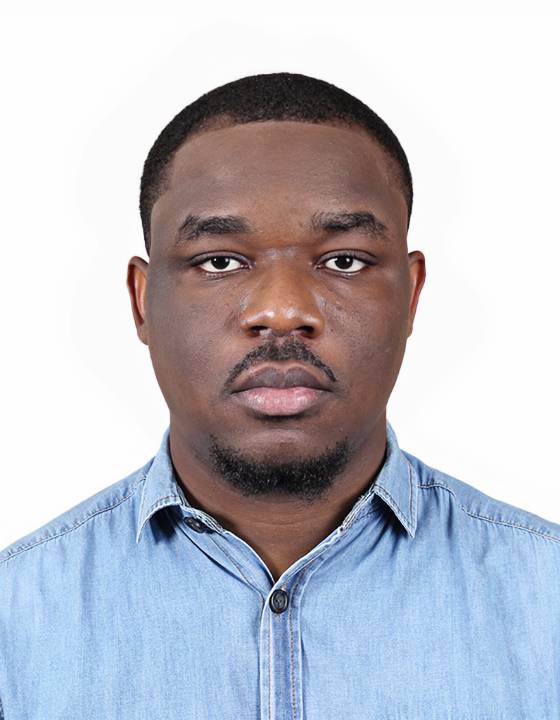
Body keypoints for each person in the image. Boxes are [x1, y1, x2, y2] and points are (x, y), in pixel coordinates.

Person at [1, 72, 558, 719]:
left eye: (344, 260)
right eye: (220, 261)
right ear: (141, 300)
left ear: (411, 295)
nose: (283, 310)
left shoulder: (546, 602)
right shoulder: (15, 622)